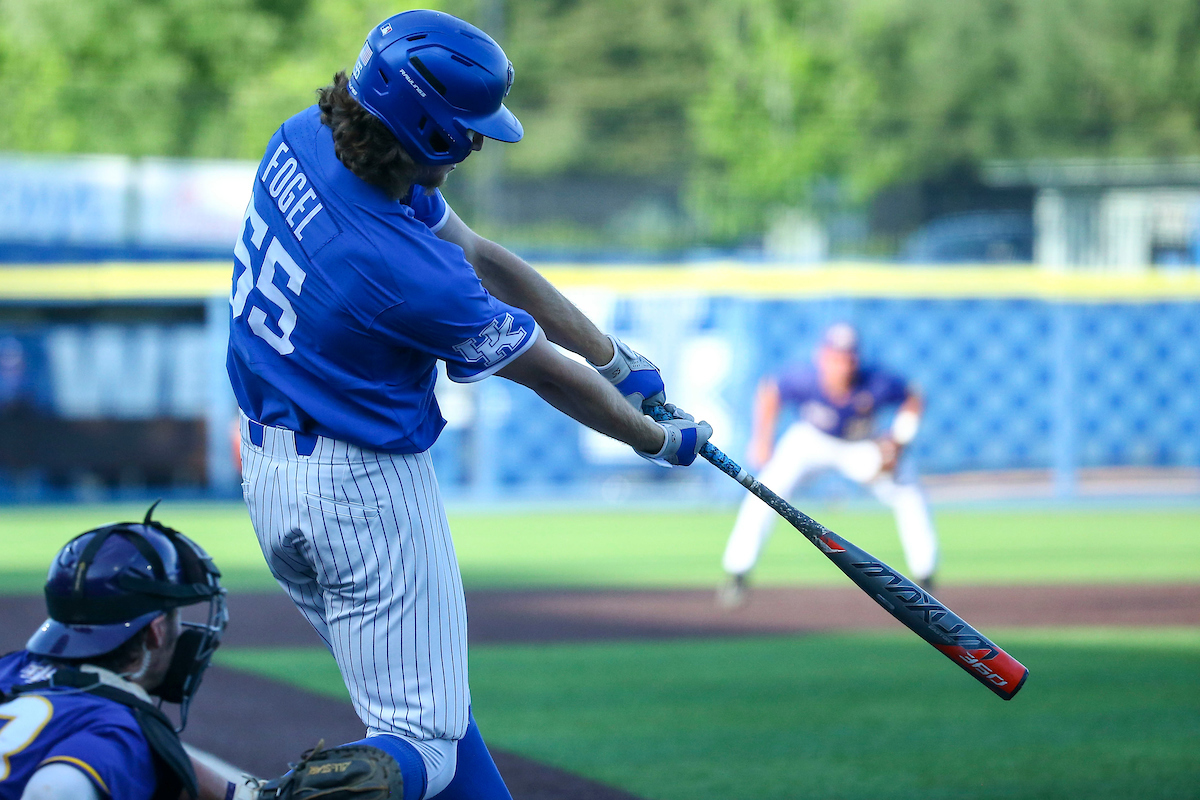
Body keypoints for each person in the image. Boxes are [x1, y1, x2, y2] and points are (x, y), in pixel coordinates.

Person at [227, 10, 711, 800]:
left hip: (274, 475)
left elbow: (483, 257)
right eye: (466, 130)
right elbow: (547, 375)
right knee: (424, 738)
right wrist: (654, 440)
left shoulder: (306, 139)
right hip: (361, 495)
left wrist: (614, 357)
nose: (477, 145)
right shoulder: (403, 269)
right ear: (425, 128)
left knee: (433, 716)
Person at [0, 505, 251, 800]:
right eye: (175, 615)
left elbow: (162, 763)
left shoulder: (9, 668)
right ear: (156, 631)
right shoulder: (115, 727)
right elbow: (55, 790)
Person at [718, 322, 938, 607]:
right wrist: (762, 439)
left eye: (848, 358)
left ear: (856, 359)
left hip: (862, 444)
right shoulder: (805, 378)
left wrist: (898, 440)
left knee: (908, 491)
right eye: (835, 357)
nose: (842, 365)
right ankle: (737, 572)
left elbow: (913, 397)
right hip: (812, 440)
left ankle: (925, 576)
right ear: (822, 357)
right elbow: (770, 391)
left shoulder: (876, 382)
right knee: (765, 491)